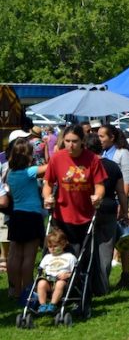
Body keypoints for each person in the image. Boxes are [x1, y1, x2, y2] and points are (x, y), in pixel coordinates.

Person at [43, 125, 106, 254]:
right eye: (67, 141)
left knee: (82, 254)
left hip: (85, 214)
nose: (70, 145)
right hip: (61, 215)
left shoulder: (92, 159)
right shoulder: (57, 158)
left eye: (74, 141)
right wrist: (47, 197)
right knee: (61, 253)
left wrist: (98, 196)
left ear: (82, 141)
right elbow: (48, 183)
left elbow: (99, 185)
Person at [86, 133, 128, 295]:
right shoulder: (112, 166)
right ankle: (102, 287)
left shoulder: (86, 166)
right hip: (109, 208)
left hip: (89, 209)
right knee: (106, 249)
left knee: (88, 248)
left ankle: (87, 285)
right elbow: (121, 193)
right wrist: (124, 211)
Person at [6, 138, 48, 300]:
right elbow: (49, 167)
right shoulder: (29, 172)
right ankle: (27, 289)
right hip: (31, 215)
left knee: (15, 255)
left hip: (16, 216)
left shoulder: (11, 174)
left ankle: (15, 290)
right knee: (29, 256)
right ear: (27, 156)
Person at [36, 229, 77, 314]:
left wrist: (68, 275)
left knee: (60, 284)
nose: (52, 249)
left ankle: (52, 304)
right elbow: (41, 269)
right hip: (48, 281)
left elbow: (75, 272)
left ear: (63, 245)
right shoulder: (47, 257)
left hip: (63, 281)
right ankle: (42, 305)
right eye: (50, 247)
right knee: (41, 283)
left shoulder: (70, 257)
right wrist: (43, 274)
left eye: (55, 246)